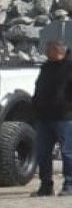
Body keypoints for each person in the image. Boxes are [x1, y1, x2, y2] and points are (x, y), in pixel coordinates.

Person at [30, 39, 72, 197]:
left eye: (49, 49)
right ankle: (46, 185)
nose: (46, 52)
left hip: (64, 118)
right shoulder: (46, 67)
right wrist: (35, 104)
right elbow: (38, 87)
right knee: (42, 152)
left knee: (67, 153)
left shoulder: (69, 67)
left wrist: (66, 106)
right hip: (43, 118)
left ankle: (69, 184)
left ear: (58, 50)